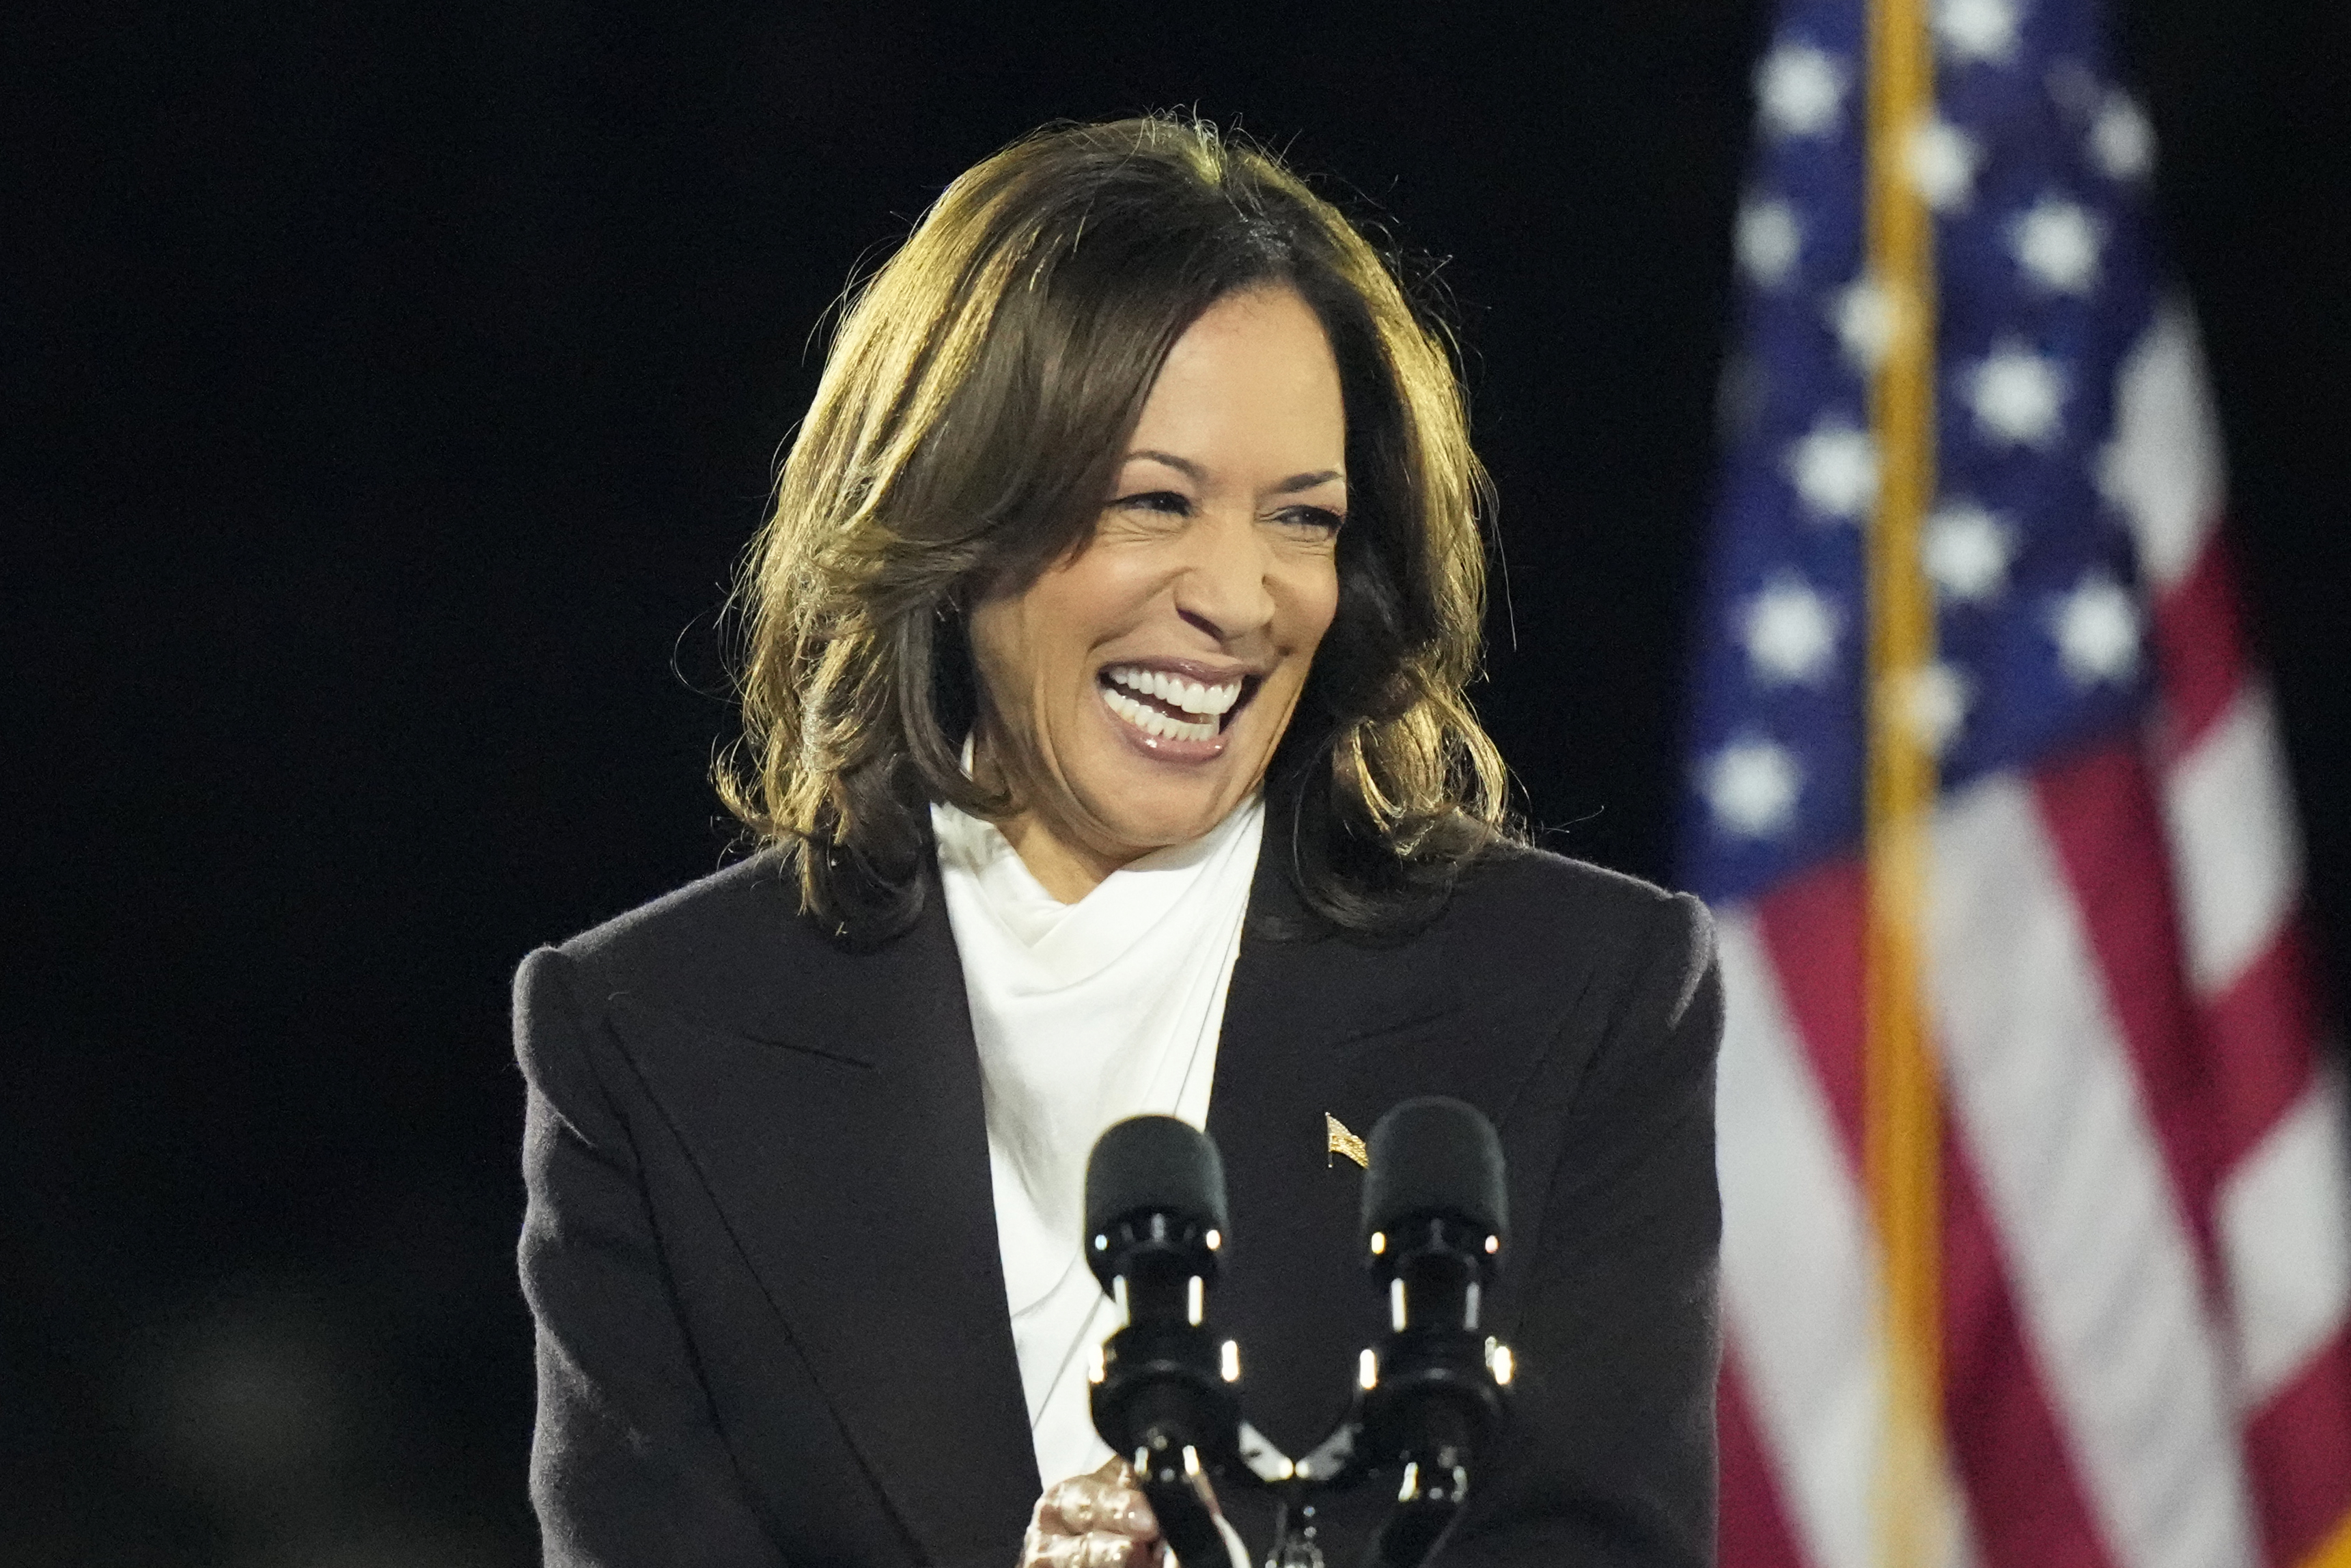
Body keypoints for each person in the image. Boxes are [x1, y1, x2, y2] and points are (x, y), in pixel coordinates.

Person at [514, 115, 1722, 1568]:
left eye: (1301, 518)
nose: (1239, 595)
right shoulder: (651, 1036)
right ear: (954, 513)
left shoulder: (1578, 989)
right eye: (1152, 501)